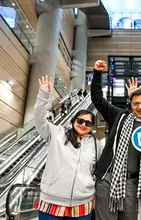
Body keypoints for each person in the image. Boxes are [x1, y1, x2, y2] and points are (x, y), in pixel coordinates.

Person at [91, 60, 141, 220]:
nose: (140, 107)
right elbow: (98, 100)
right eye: (136, 103)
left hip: (134, 183)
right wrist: (97, 74)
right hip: (108, 179)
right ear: (130, 104)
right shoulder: (119, 116)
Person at [33, 75, 100, 220]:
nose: (83, 125)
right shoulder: (57, 133)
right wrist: (44, 95)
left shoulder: (95, 144)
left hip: (82, 203)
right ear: (73, 120)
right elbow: (39, 120)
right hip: (51, 201)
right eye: (80, 120)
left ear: (91, 127)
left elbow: (96, 171)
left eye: (88, 123)